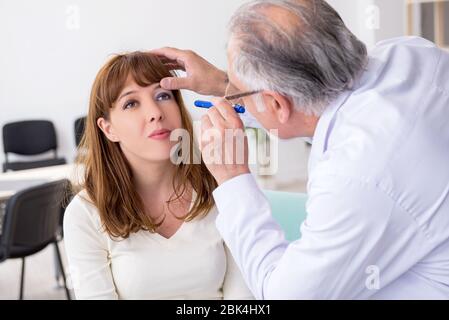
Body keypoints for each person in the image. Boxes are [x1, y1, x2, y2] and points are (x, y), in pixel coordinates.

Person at [152, 0, 449, 299]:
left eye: (236, 90)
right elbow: (309, 110)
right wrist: (222, 82)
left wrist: (232, 178)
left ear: (277, 103)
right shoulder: (410, 53)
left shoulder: (354, 178)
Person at [63, 51, 253, 300]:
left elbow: (242, 298)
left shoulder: (220, 187)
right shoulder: (84, 214)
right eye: (131, 103)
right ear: (108, 129)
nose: (155, 112)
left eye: (163, 95)